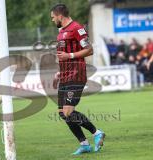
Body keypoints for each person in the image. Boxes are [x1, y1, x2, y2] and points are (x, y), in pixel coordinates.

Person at [50, 4, 105, 155]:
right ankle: (84, 144)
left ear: (60, 15)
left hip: (76, 74)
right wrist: (59, 73)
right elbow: (63, 57)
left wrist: (71, 56)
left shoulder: (77, 28)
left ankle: (97, 133)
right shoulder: (61, 33)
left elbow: (89, 49)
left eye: (53, 17)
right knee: (62, 112)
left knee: (68, 111)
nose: (53, 20)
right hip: (65, 75)